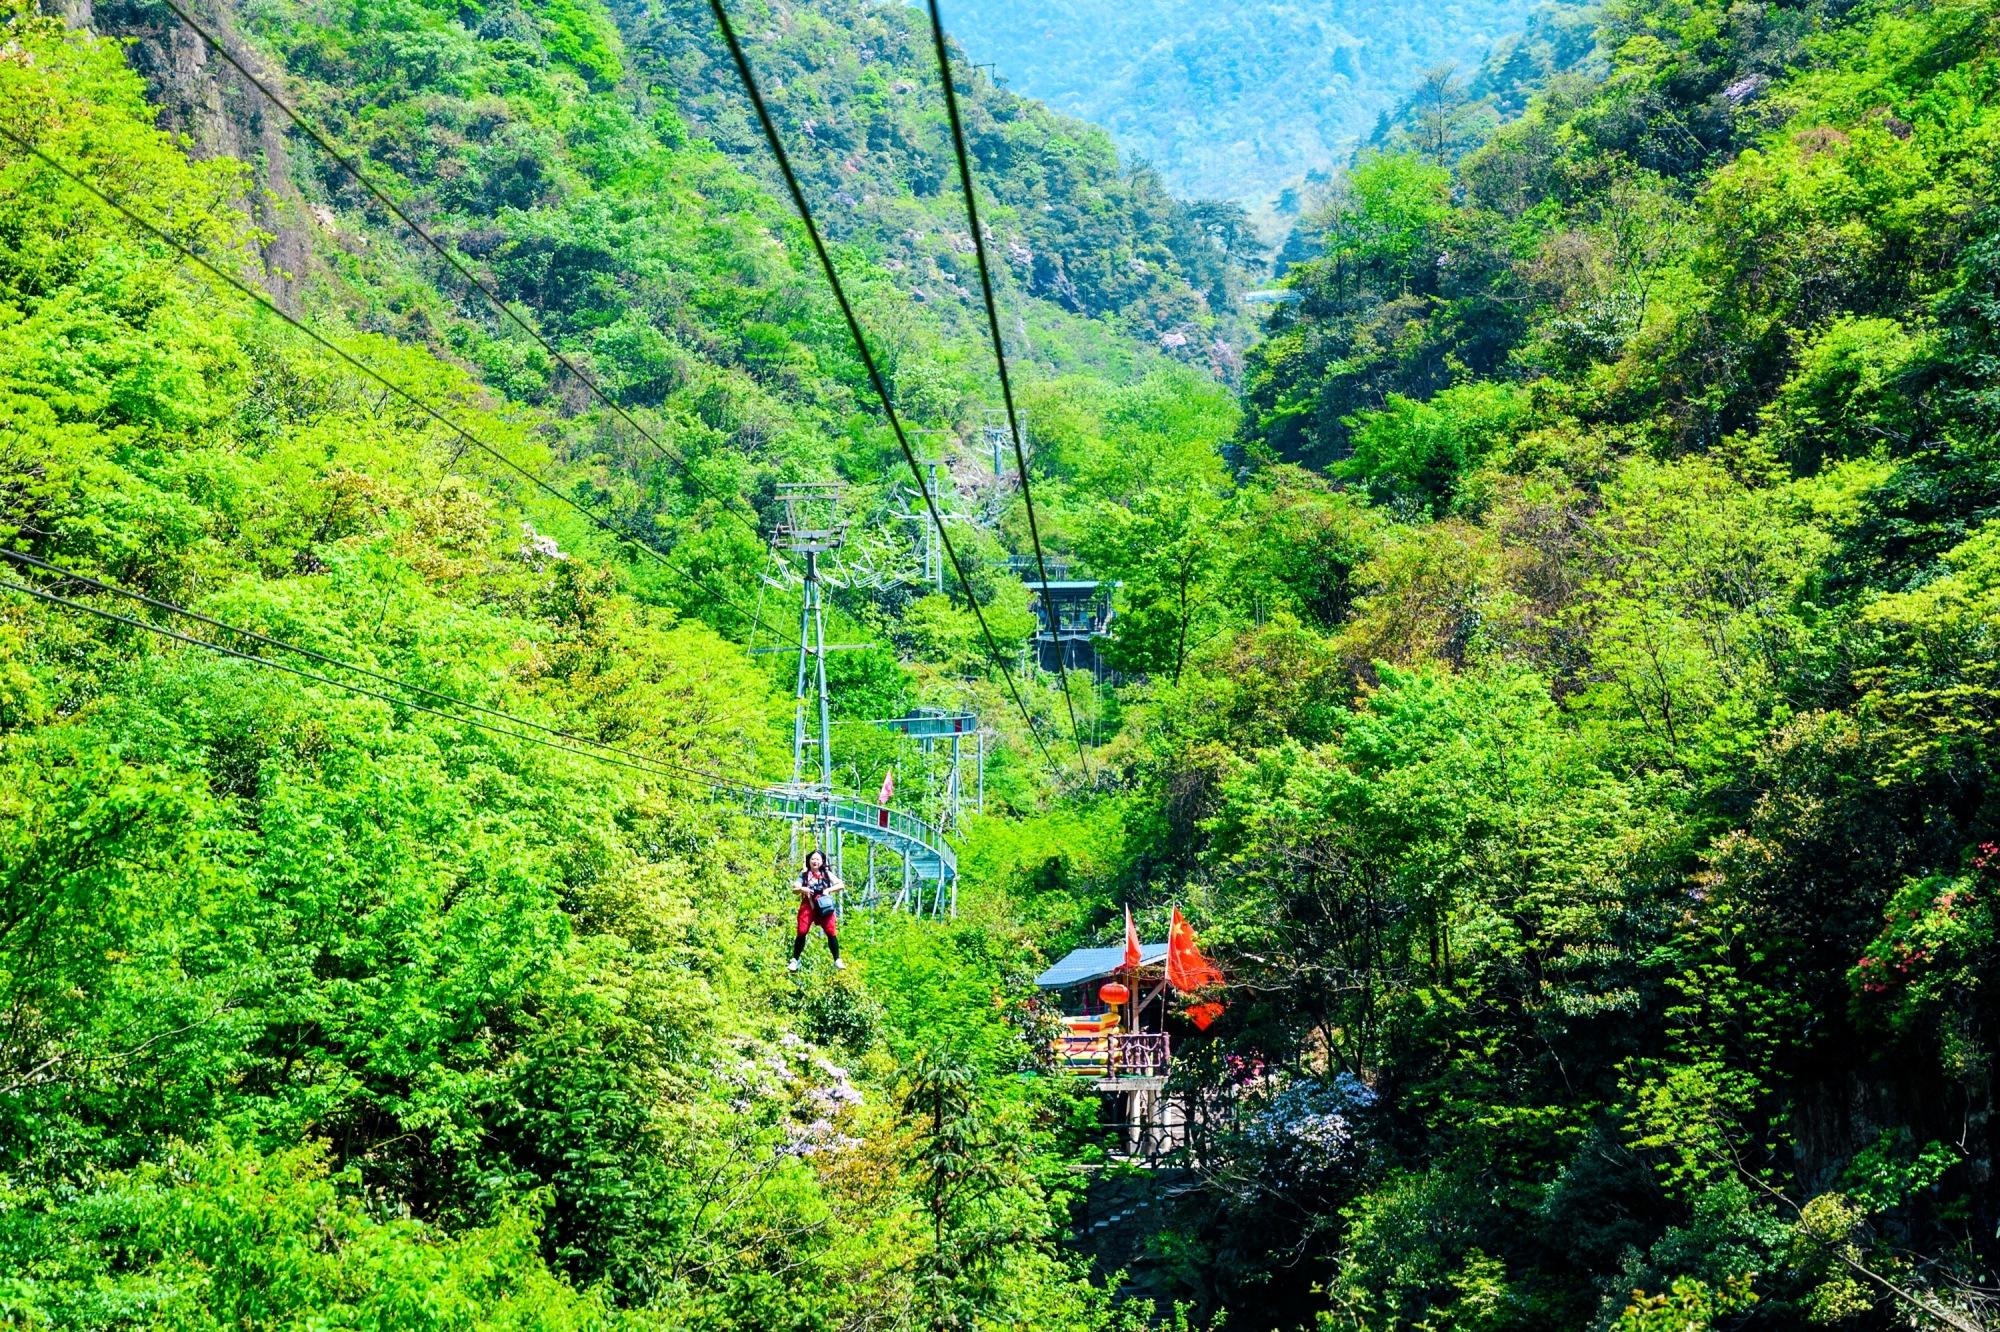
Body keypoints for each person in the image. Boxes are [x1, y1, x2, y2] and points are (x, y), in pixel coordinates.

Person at [789, 848, 845, 972]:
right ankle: (795, 960)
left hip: (824, 904)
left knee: (831, 931)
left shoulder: (826, 873)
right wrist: (803, 889)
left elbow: (840, 884)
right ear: (809, 861)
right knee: (802, 930)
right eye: (813, 859)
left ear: (822, 861)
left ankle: (837, 959)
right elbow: (795, 889)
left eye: (817, 859)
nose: (815, 862)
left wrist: (828, 890)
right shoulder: (804, 874)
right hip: (808, 904)